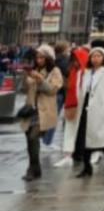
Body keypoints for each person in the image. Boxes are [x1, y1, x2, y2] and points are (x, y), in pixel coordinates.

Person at [21, 45, 63, 181]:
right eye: (37, 57)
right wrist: (25, 77)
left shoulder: (55, 71)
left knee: (33, 137)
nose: (38, 60)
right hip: (31, 109)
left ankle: (32, 169)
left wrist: (39, 78)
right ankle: (35, 168)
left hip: (44, 111)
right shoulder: (34, 70)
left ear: (48, 58)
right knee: (29, 139)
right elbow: (24, 89)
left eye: (42, 57)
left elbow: (53, 90)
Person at [77, 47, 104, 177]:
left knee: (103, 136)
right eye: (93, 56)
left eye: (98, 56)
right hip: (87, 106)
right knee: (85, 138)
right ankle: (86, 166)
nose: (95, 59)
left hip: (101, 107)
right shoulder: (87, 72)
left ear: (103, 58)